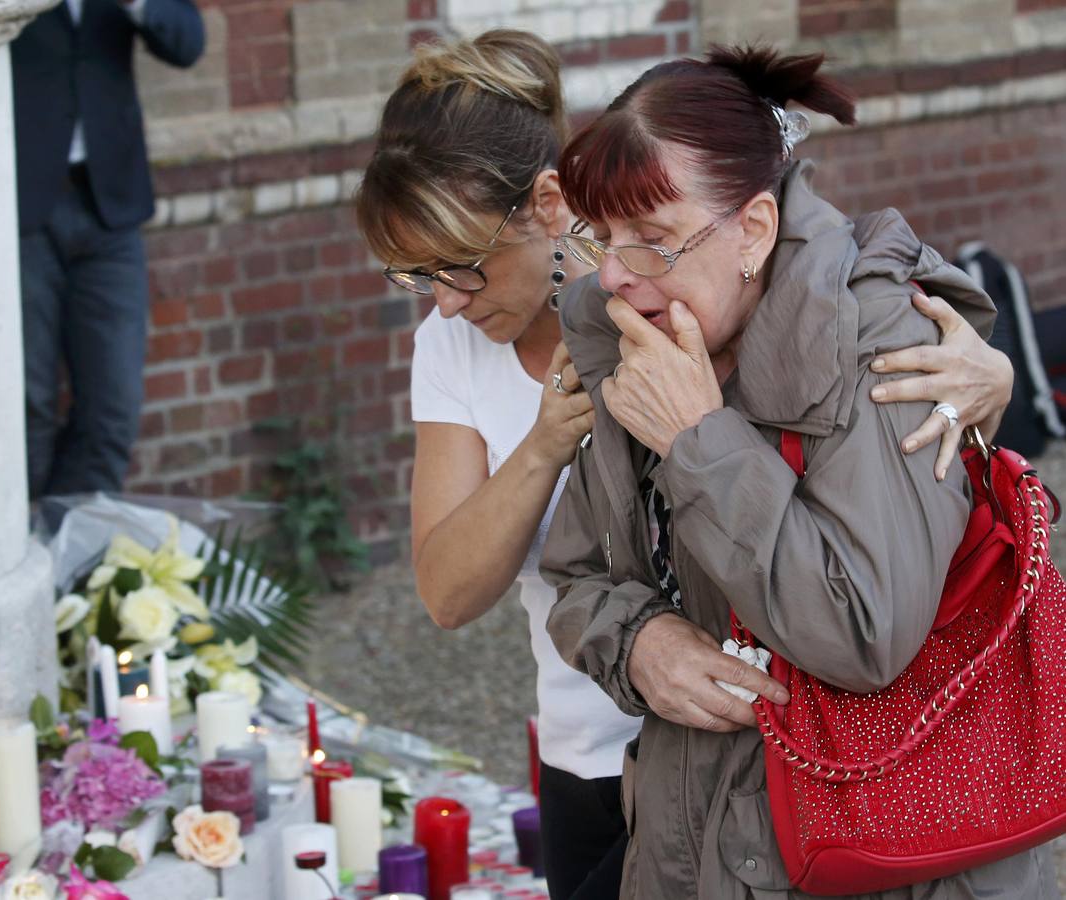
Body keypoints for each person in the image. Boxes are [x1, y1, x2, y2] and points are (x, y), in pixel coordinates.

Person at [354, 32, 1015, 899]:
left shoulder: (803, 317)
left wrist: (991, 373)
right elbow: (526, 581)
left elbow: (863, 626)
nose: (443, 301)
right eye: (416, 276)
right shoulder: (608, 327)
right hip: (640, 769)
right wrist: (635, 633)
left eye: (464, 268)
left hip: (844, 803)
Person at [541, 46, 1049, 897]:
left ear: (755, 229)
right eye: (604, 239)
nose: (620, 277)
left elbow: (863, 633)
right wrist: (640, 646)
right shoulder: (640, 339)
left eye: (655, 241)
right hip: (689, 842)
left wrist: (700, 439)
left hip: (886, 854)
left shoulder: (882, 347)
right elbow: (580, 573)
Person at [10, 0, 204, 499]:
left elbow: (187, 42)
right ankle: (22, 553)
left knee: (113, 406)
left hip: (109, 207)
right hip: (18, 209)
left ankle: (78, 555)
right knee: (25, 405)